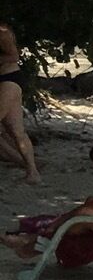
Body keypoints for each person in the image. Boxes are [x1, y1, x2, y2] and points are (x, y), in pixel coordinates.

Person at [0, 22, 36, 183]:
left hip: (9, 79)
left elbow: (14, 56)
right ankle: (32, 172)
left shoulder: (3, 32)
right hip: (5, 80)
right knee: (16, 131)